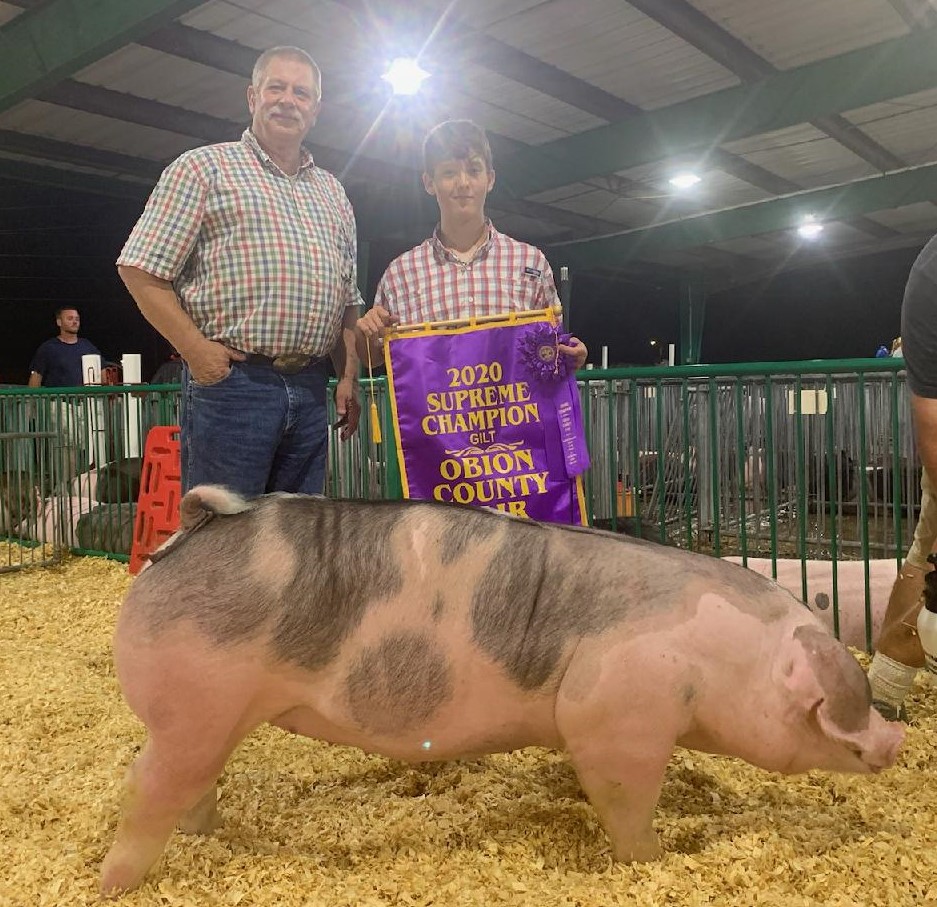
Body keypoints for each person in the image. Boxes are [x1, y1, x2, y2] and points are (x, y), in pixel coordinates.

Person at [116, 46, 361, 497]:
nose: (288, 100)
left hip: (310, 388)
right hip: (234, 385)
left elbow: (348, 301)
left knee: (299, 544)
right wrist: (196, 351)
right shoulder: (203, 168)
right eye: (277, 87)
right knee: (222, 543)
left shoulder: (333, 192)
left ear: (316, 109)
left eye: (301, 92)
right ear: (253, 97)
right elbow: (140, 269)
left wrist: (348, 377)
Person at [355, 119, 587, 369]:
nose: (463, 182)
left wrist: (570, 354)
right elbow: (371, 358)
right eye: (449, 172)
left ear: (490, 179)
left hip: (512, 409)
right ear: (429, 183)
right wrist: (365, 333)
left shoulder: (532, 263)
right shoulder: (400, 274)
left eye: (474, 170)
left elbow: (552, 348)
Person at [867, 237, 937, 720]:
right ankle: (883, 686)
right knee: (928, 549)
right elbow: (931, 421)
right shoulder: (931, 278)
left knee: (925, 547)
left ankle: (882, 688)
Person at [28, 307, 100, 388]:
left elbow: (101, 370)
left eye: (77, 319)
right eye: (70, 319)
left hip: (85, 399)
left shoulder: (88, 346)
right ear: (59, 322)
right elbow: (36, 376)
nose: (75, 322)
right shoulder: (48, 348)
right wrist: (31, 399)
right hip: (58, 399)